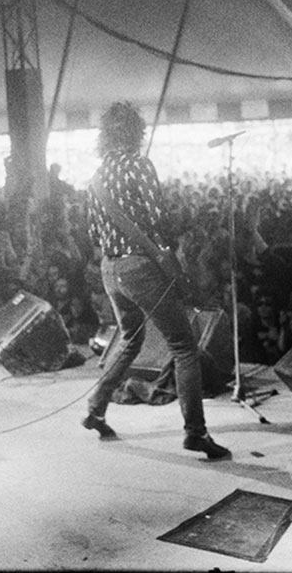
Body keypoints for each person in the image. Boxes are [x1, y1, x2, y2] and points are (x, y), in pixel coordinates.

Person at [81, 101, 230, 459]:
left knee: (131, 338)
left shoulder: (96, 177)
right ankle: (196, 432)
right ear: (136, 131)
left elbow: (92, 233)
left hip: (110, 269)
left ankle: (95, 408)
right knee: (183, 345)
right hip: (140, 266)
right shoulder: (138, 166)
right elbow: (158, 217)